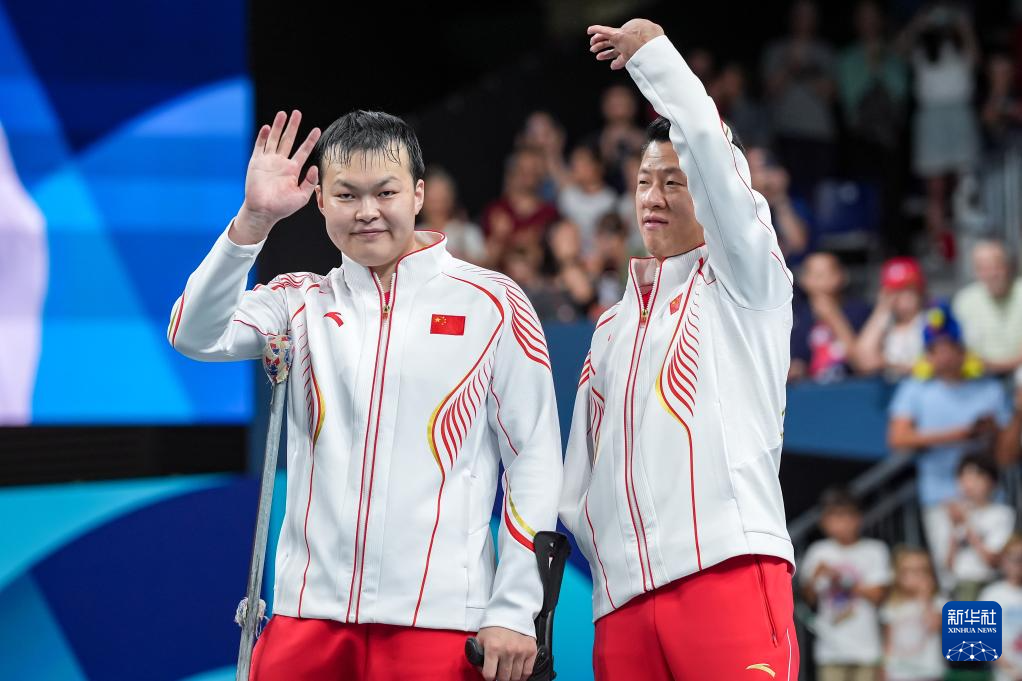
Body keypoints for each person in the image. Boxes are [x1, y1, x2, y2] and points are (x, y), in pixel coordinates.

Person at [169, 109, 563, 681]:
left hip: (439, 622)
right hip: (306, 618)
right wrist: (253, 220)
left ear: (418, 193)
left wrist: (514, 606)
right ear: (320, 201)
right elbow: (193, 334)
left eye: (386, 192)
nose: (367, 211)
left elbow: (534, 460)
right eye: (347, 195)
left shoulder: (493, 303)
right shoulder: (299, 302)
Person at [561, 19, 798, 680]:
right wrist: (611, 556)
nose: (654, 198)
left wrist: (658, 63)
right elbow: (578, 476)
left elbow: (716, 163)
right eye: (644, 182)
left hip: (725, 568)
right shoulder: (610, 328)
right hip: (621, 602)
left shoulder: (744, 283)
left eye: (674, 181)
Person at [887, 303, 1022, 554]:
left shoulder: (989, 388)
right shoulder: (915, 388)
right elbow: (898, 437)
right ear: (927, 354)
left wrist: (1003, 423)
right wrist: (960, 434)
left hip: (988, 498)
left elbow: (1006, 455)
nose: (944, 356)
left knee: (991, 565)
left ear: (962, 350)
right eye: (936, 349)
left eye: (950, 347)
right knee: (951, 570)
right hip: (940, 498)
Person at [801, 488, 890, 681]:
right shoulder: (818, 551)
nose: (840, 522)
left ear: (858, 518)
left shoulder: (875, 550)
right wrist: (814, 578)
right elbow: (808, 599)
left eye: (845, 515)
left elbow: (878, 596)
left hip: (866, 651)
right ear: (824, 522)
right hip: (829, 650)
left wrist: (841, 580)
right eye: (833, 516)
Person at [926, 452, 1015, 599]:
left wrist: (966, 523)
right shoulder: (944, 513)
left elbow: (992, 561)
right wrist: (954, 526)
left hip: (987, 586)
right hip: (954, 588)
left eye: (977, 477)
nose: (969, 484)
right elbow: (946, 564)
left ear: (992, 482)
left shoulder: (1002, 514)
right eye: (964, 478)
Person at [790, 252, 872, 382]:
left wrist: (833, 317)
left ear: (841, 276)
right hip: (809, 389)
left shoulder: (860, 311)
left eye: (826, 273)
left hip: (853, 385)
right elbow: (798, 360)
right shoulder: (796, 316)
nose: (820, 280)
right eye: (814, 274)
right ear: (804, 280)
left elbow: (862, 361)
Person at [952, 239, 1022, 375]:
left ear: (1010, 266)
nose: (991, 274)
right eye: (983, 268)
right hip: (976, 375)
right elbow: (957, 347)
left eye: (997, 266)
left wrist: (992, 365)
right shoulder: (964, 301)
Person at [879, 546, 945, 681]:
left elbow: (934, 625)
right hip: (899, 673)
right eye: (910, 571)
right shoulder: (891, 606)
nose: (917, 575)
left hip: (928, 672)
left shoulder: (938, 602)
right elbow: (888, 643)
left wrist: (925, 597)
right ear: (898, 575)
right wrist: (883, 670)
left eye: (922, 570)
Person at [854, 257, 927, 379]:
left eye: (908, 289)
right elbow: (863, 360)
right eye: (895, 291)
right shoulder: (885, 322)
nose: (902, 296)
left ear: (920, 290)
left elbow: (939, 364)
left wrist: (887, 363)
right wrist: (882, 309)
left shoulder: (931, 319)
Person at [417, 167, 486, 264]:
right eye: (432, 200)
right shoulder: (415, 235)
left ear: (451, 199)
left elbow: (483, 265)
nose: (437, 207)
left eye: (442, 200)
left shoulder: (468, 232)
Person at [979, 534, 1022, 681]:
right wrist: (1010, 669)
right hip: (1005, 675)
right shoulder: (991, 594)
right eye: (1015, 558)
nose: (1019, 563)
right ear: (1003, 560)